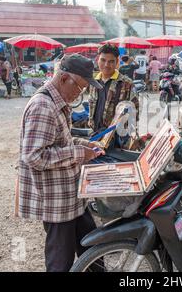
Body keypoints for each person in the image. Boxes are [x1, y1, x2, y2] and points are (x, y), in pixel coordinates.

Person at [16, 54, 105, 272]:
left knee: (92, 246)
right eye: (80, 87)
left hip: (70, 193)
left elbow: (60, 140)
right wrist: (78, 153)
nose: (79, 94)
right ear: (64, 78)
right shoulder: (43, 106)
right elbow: (34, 156)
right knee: (60, 260)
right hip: (56, 200)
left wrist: (84, 144)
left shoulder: (57, 101)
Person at [88, 44, 139, 136]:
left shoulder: (127, 83)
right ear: (97, 60)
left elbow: (135, 114)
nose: (106, 65)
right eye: (103, 60)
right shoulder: (93, 82)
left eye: (111, 61)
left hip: (116, 138)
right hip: (95, 135)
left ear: (117, 62)